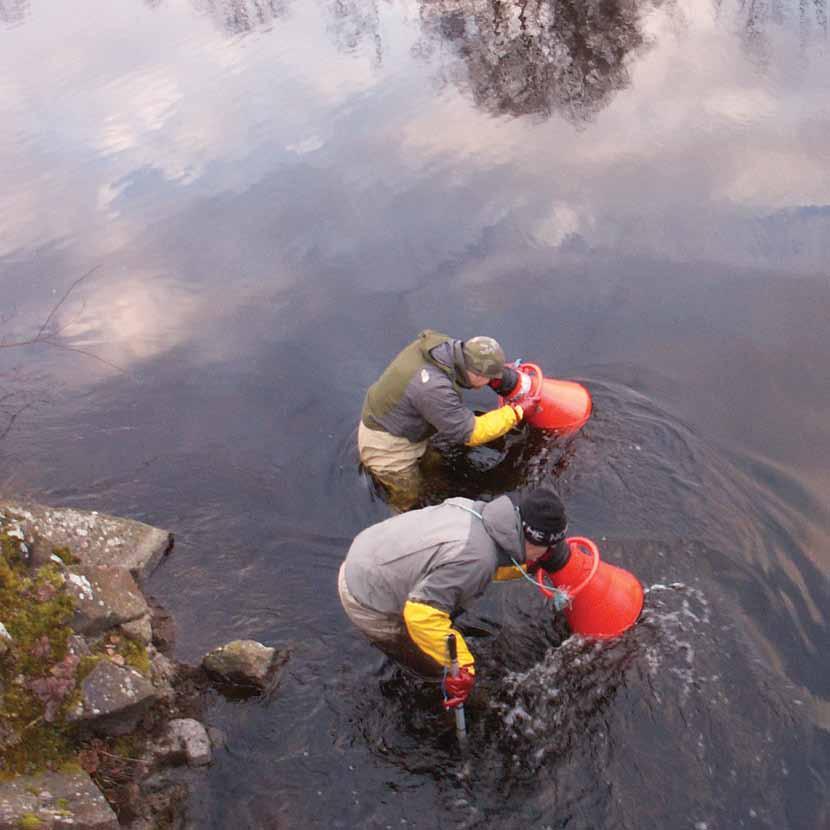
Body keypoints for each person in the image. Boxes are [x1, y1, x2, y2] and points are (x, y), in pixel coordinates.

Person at [338, 487, 569, 708]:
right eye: (547, 548)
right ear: (533, 540)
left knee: (444, 611)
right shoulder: (477, 559)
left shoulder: (477, 512)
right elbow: (420, 615)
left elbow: (477, 563)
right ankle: (441, 703)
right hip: (366, 596)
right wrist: (462, 666)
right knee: (433, 666)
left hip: (371, 551)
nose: (548, 554)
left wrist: (529, 567)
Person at [358, 329, 535, 510]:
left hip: (398, 422)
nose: (491, 382)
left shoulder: (442, 347)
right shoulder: (434, 389)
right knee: (409, 495)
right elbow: (472, 433)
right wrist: (516, 412)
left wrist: (501, 379)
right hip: (385, 445)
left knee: (435, 466)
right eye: (489, 378)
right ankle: (401, 524)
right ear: (477, 374)